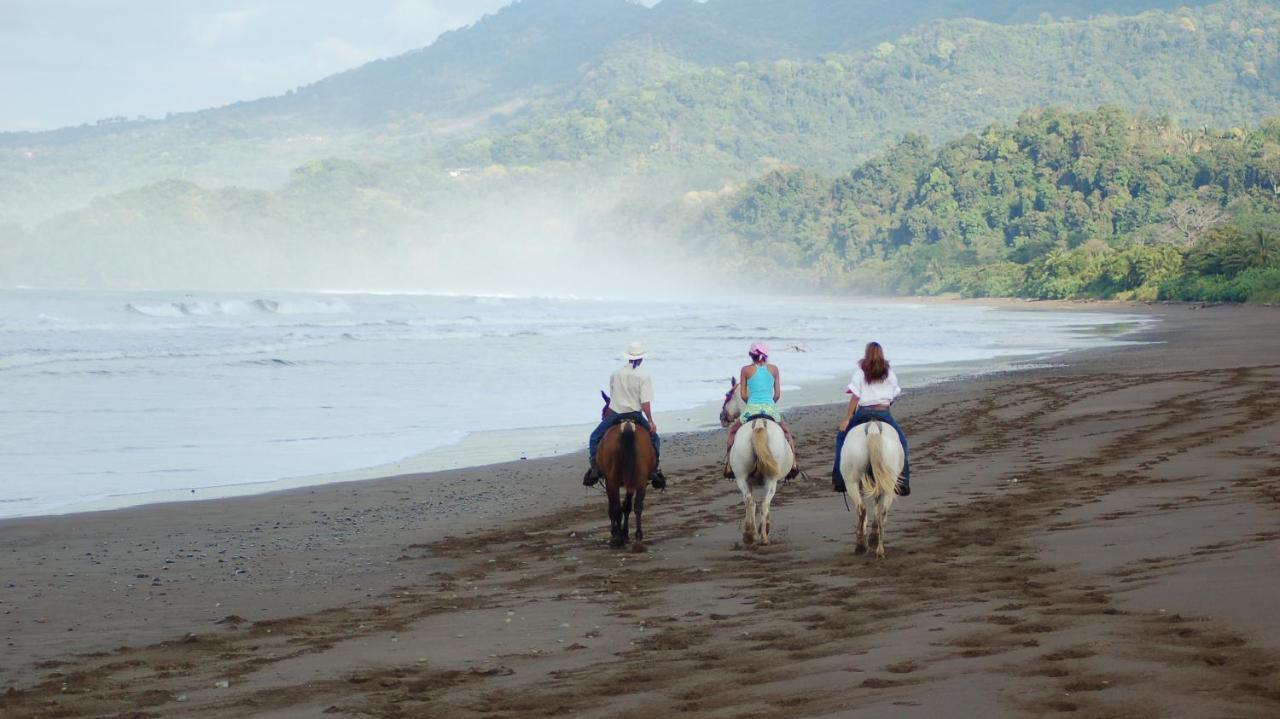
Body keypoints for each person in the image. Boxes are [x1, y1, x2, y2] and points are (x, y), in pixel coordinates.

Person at [583, 341, 667, 489]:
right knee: (654, 438)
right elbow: (645, 404)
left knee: (594, 437)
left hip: (615, 415)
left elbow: (613, 396)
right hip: (635, 415)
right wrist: (651, 422)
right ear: (641, 358)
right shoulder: (644, 376)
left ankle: (595, 469)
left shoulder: (615, 374)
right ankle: (654, 470)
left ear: (628, 357)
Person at [832, 341, 910, 496]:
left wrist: (847, 418)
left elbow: (855, 397)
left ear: (866, 354)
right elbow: (893, 396)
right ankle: (904, 482)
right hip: (884, 413)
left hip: (863, 412)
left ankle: (840, 479)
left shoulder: (860, 372)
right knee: (903, 443)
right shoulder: (889, 373)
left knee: (841, 438)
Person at [723, 341, 800, 480]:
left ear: (751, 355)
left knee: (733, 432)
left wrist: (752, 404)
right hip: (770, 409)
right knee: (787, 432)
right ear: (765, 355)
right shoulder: (774, 369)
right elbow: (777, 395)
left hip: (751, 409)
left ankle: (729, 466)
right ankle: (793, 464)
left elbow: (743, 395)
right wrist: (769, 404)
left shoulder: (745, 370)